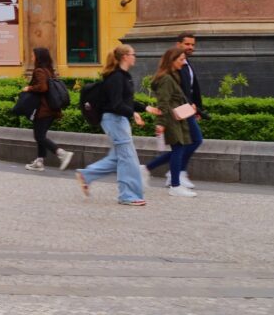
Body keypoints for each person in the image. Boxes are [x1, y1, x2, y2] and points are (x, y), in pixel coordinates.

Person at [77, 45, 157, 206]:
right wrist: (132, 113)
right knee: (128, 158)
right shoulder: (116, 77)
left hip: (118, 120)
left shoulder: (122, 76)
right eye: (133, 54)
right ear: (125, 56)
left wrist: (145, 108)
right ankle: (127, 195)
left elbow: (126, 101)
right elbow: (116, 104)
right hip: (114, 120)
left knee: (118, 157)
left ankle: (86, 175)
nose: (135, 57)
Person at [146, 31, 203, 190]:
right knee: (184, 145)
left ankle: (174, 176)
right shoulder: (170, 74)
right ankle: (174, 178)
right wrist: (161, 123)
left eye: (192, 44)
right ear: (178, 45)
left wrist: (197, 108)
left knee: (184, 145)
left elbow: (192, 89)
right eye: (187, 44)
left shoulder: (185, 65)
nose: (190, 47)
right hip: (177, 114)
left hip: (183, 111)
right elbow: (165, 100)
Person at [23, 47, 73, 172]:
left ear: (38, 57)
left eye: (33, 55)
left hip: (43, 109)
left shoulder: (39, 71)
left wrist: (29, 88)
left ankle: (62, 153)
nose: (31, 58)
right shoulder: (49, 71)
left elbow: (42, 87)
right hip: (52, 109)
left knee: (39, 136)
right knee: (40, 135)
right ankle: (39, 161)